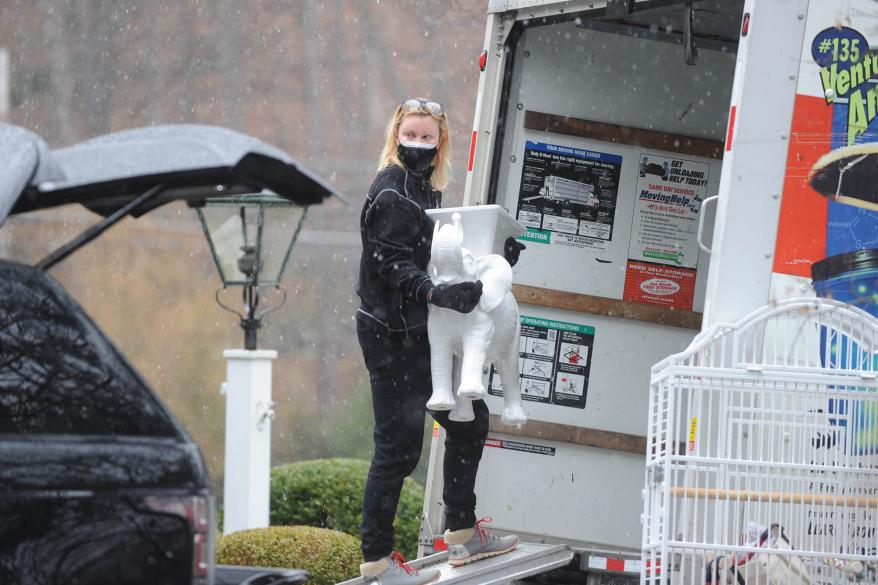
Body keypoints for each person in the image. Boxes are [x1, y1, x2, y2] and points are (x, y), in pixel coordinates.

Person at [356, 98, 525, 585]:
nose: (418, 144)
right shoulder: (391, 192)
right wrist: (436, 293)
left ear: (440, 142)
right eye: (410, 134)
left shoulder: (429, 193)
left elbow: (443, 258)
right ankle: (376, 562)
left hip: (422, 332)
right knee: (399, 447)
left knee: (469, 423)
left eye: (428, 137)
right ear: (395, 136)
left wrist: (496, 256)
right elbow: (390, 263)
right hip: (389, 335)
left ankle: (461, 531)